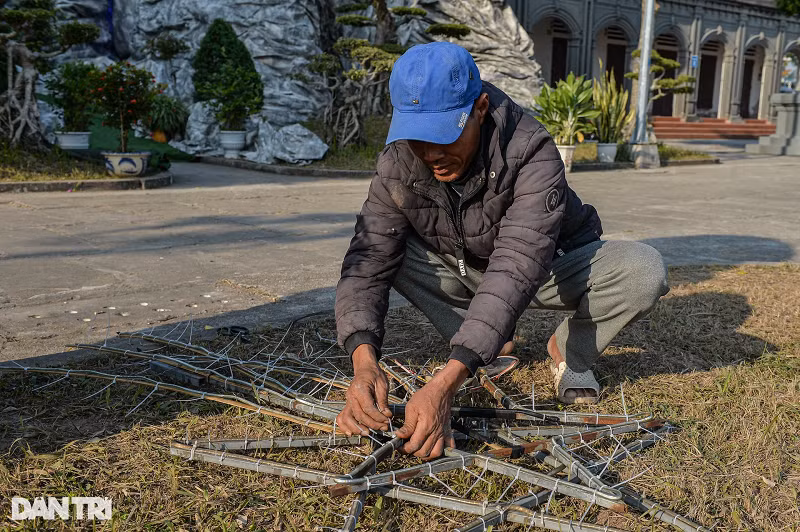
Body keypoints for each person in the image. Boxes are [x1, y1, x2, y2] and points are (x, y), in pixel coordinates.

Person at [334, 42, 669, 459]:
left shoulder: (531, 152)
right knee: (383, 248)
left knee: (642, 270)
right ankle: (487, 343)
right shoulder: (398, 161)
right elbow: (368, 262)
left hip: (542, 268)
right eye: (419, 139)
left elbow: (515, 269)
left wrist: (444, 384)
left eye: (444, 135)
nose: (432, 154)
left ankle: (569, 351)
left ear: (480, 107)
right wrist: (363, 364)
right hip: (461, 266)